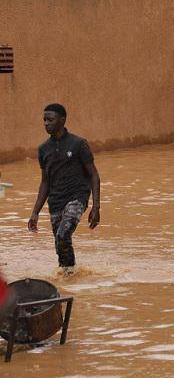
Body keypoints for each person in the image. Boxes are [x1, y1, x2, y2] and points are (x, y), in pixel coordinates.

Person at [28, 104, 101, 273]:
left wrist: (96, 207)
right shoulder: (43, 149)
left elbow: (94, 176)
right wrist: (35, 212)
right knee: (61, 245)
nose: (46, 123)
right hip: (55, 202)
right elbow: (45, 182)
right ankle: (70, 276)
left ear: (62, 120)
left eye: (50, 120)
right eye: (44, 120)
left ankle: (69, 275)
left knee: (62, 235)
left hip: (77, 197)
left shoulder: (78, 144)